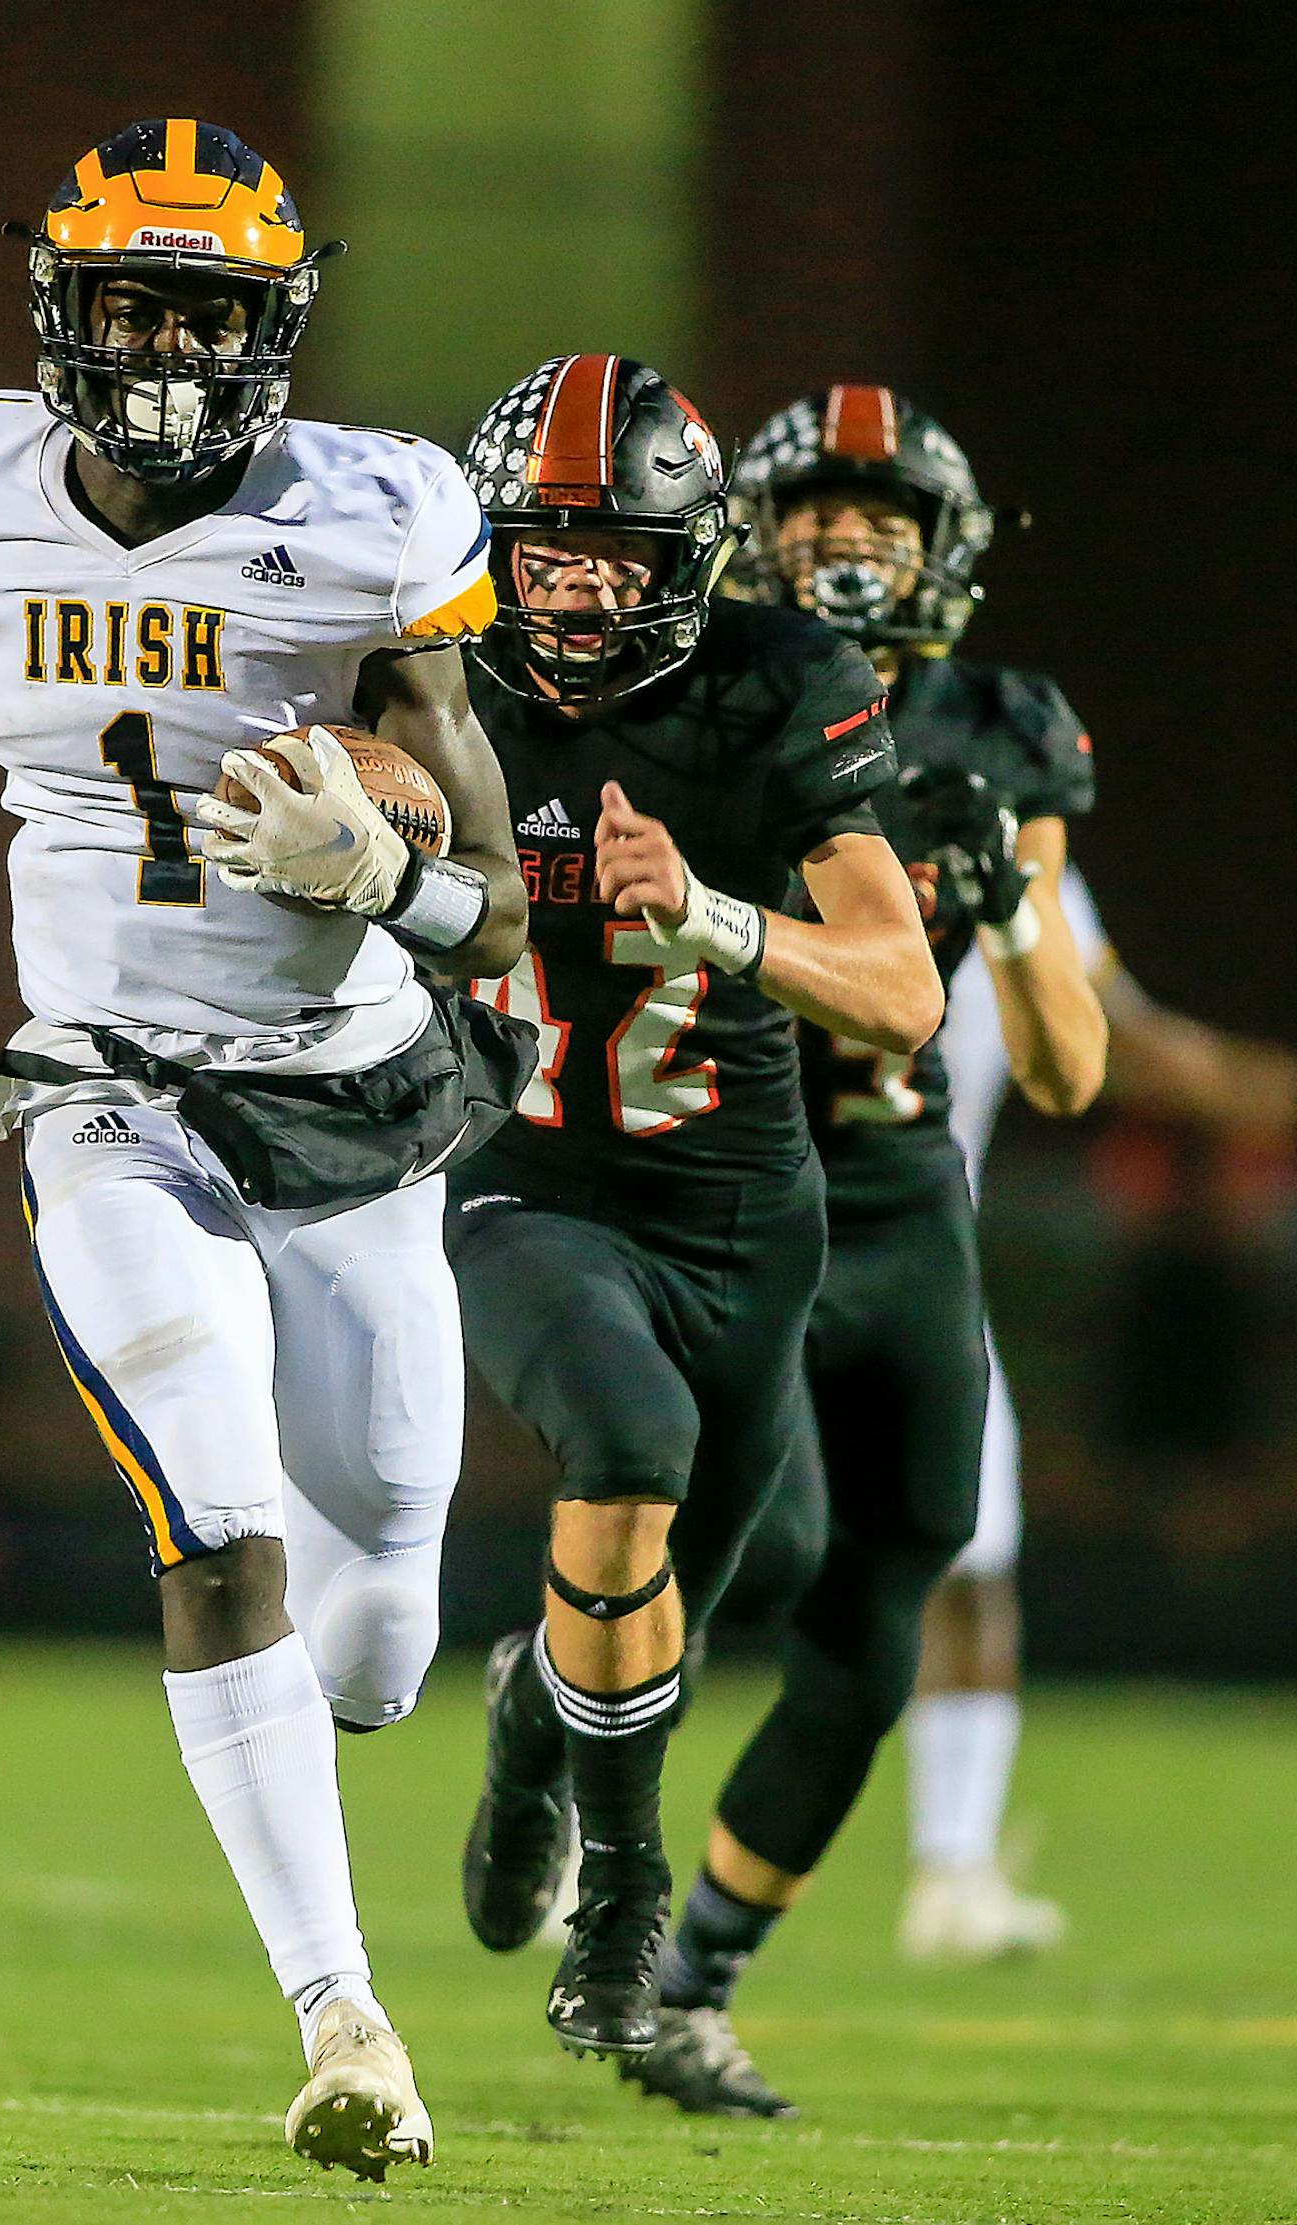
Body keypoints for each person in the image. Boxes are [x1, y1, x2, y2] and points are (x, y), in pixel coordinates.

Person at [0, 118, 527, 2181]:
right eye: (132, 298)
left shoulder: (380, 516)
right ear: (60, 305)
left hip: (360, 1097)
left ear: (278, 329)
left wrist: (378, 869)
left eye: (207, 310)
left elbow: (494, 884)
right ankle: (346, 2013)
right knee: (215, 1521)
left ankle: (424, 1697)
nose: (162, 346)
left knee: (379, 1615)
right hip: (111, 1087)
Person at [599, 384, 1108, 2114]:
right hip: (731, 1177)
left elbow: (1063, 1066)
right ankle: (570, 1732)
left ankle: (698, 1973)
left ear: (943, 551)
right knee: (761, 1537)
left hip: (900, 1208)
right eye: (816, 514)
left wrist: (1024, 907)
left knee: (891, 1601)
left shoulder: (1000, 732)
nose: (848, 545)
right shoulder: (708, 691)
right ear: (751, 527)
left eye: (883, 521)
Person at [447, 354, 943, 2069]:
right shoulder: (433, 676)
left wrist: (721, 917)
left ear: (695, 556)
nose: (575, 597)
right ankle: (624, 1903)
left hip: (743, 1208)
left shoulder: (780, 683)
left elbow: (900, 990)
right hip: (531, 1178)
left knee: (674, 1597)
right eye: (546, 555)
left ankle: (528, 1734)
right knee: (626, 1447)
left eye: (615, 558)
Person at [903, 862, 1297, 1960]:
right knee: (660, 1551)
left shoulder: (1009, 851)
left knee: (974, 1564)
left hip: (924, 1264)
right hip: (746, 1241)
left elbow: (1112, 1036)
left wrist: (1254, 1090)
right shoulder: (768, 797)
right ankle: (573, 1831)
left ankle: (954, 1868)